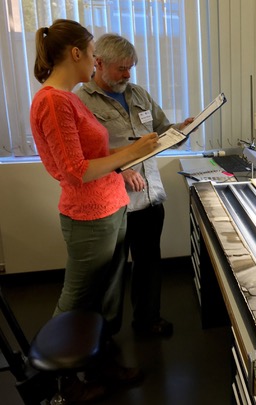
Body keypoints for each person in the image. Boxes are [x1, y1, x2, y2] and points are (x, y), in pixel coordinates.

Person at [30, 19, 157, 399]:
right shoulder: (54, 101)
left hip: (111, 206)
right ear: (77, 54)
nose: (94, 61)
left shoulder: (67, 98)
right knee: (78, 299)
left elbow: (96, 155)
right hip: (88, 215)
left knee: (106, 297)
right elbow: (75, 171)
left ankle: (100, 362)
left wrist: (137, 149)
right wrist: (132, 153)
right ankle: (56, 380)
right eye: (91, 54)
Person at [76, 34, 193, 338]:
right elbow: (82, 156)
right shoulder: (81, 100)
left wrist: (182, 130)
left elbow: (162, 130)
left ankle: (148, 319)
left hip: (149, 195)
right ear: (98, 63)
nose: (127, 74)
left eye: (131, 67)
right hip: (111, 201)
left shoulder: (138, 93)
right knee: (112, 273)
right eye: (121, 68)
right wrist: (121, 166)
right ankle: (105, 337)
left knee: (149, 263)